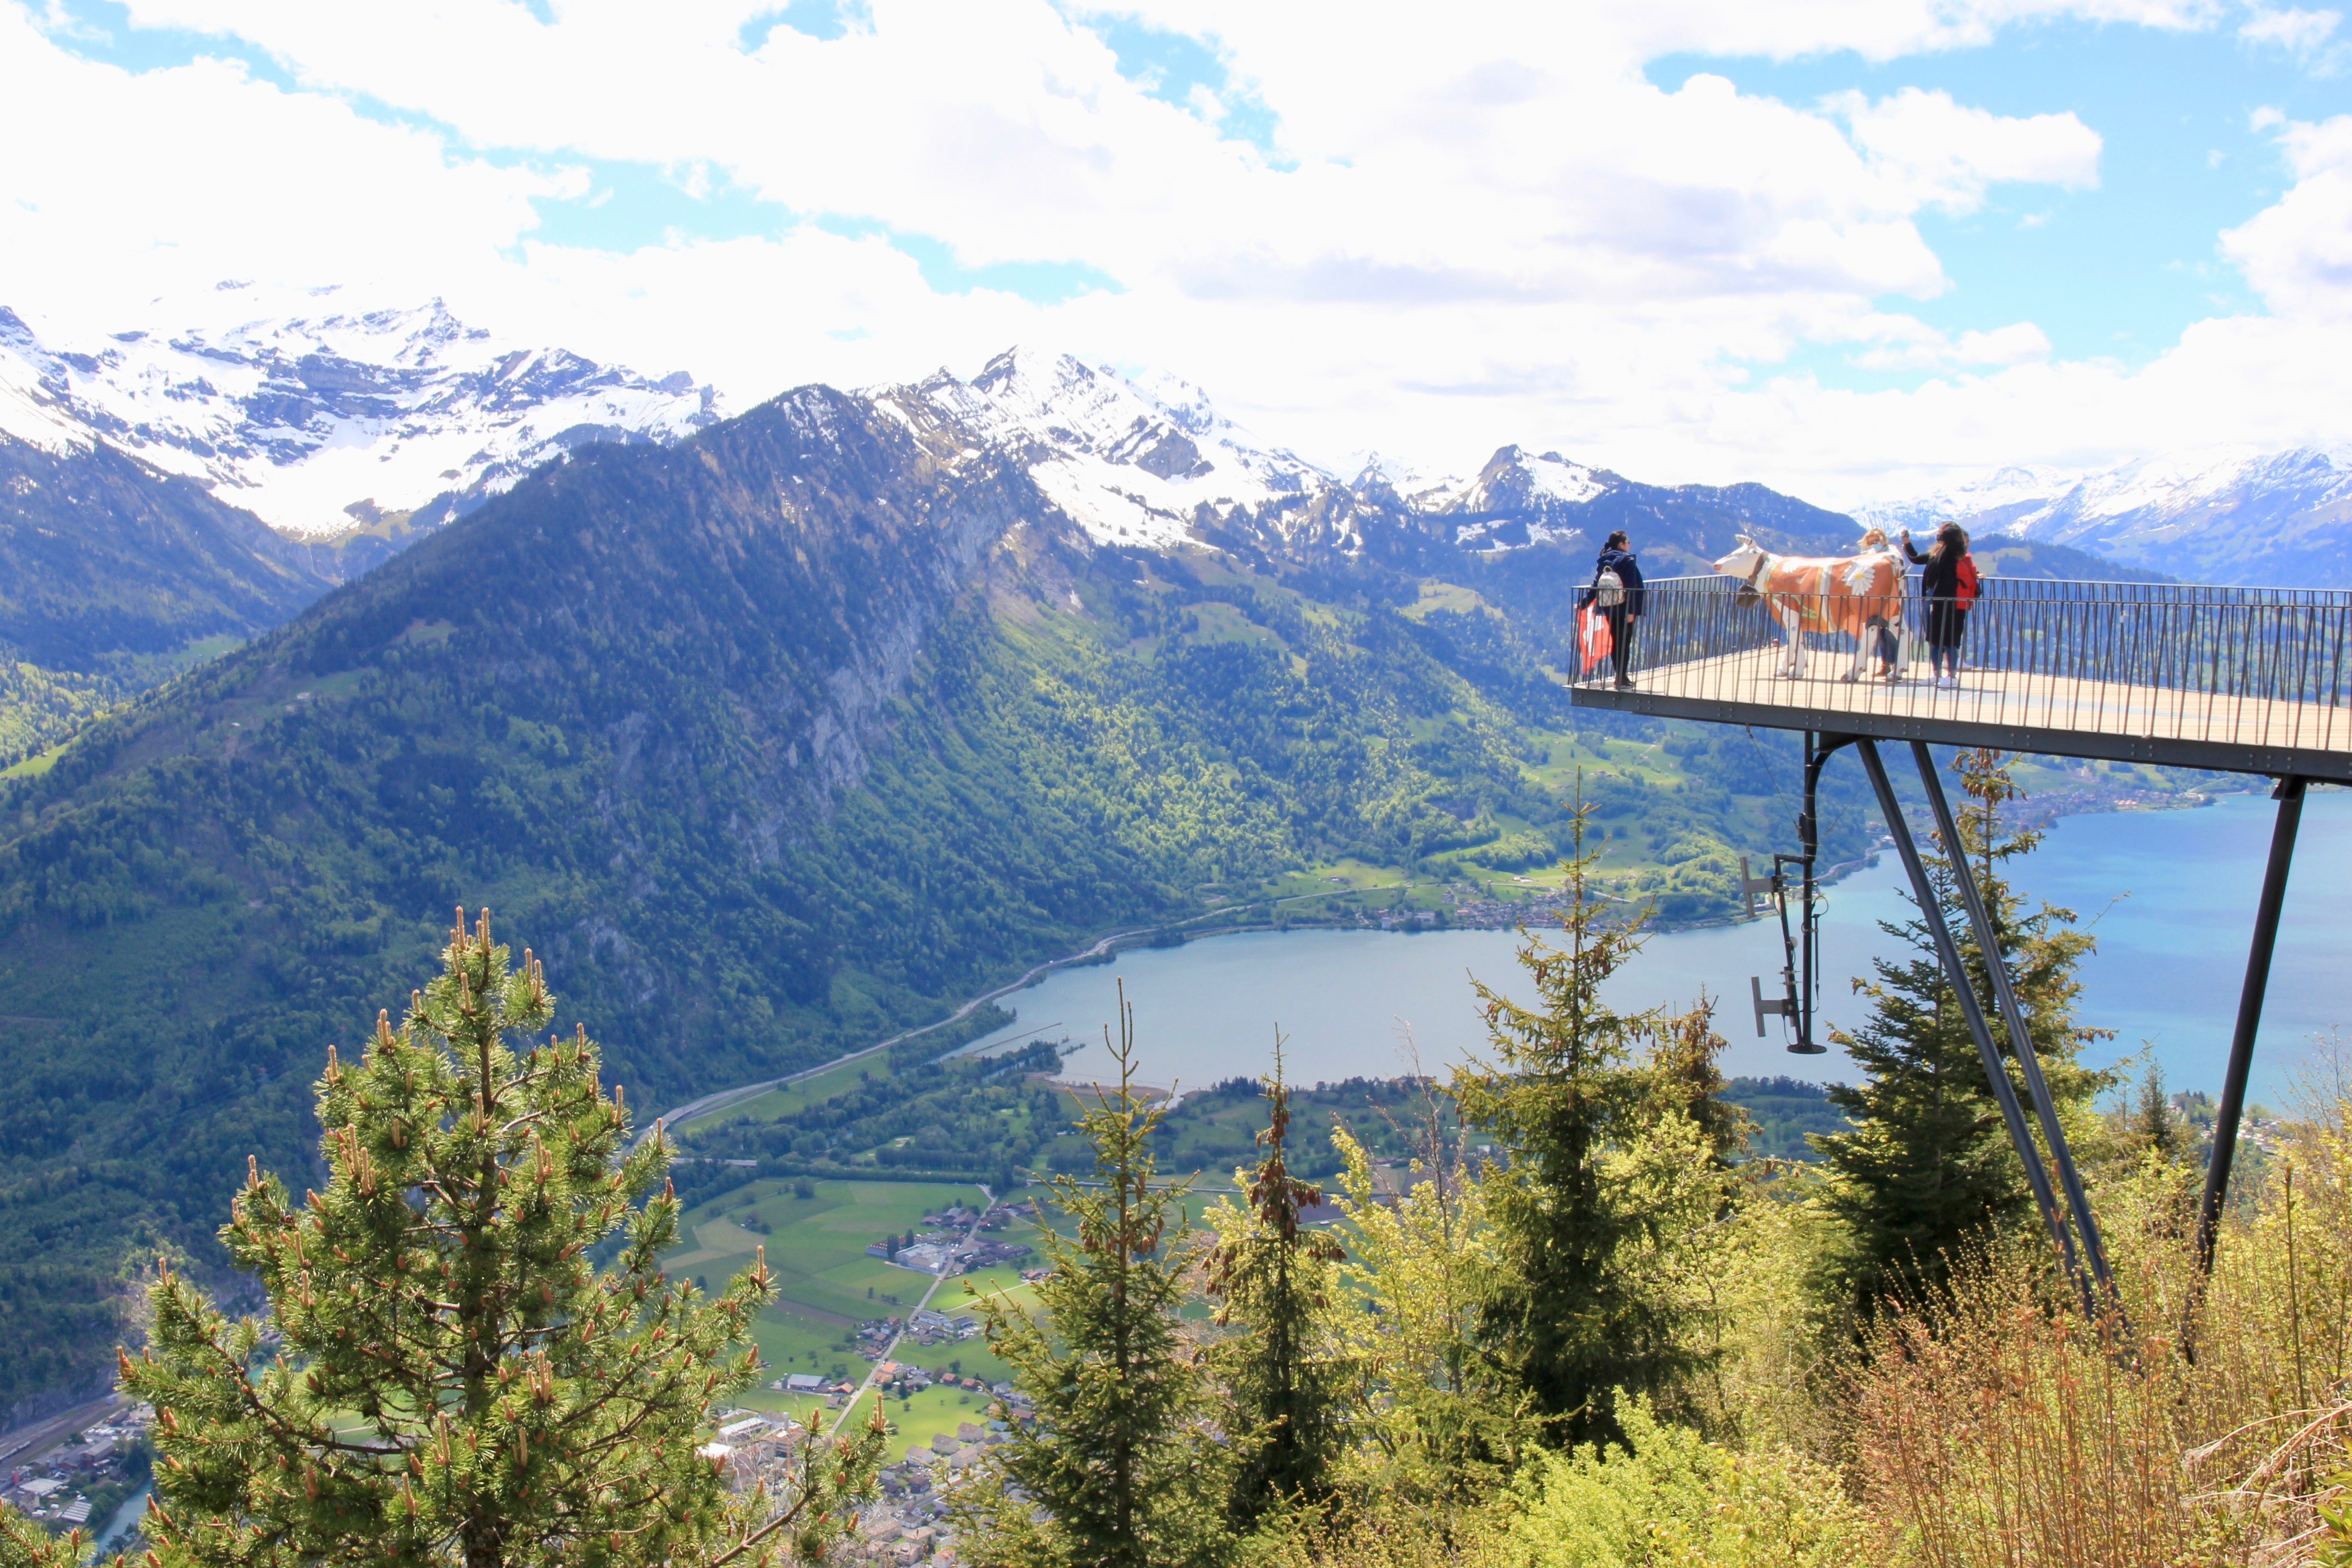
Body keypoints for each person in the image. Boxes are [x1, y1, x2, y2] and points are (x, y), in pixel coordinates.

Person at [1902, 522, 1977, 689]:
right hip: (1936, 600)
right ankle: (1937, 673)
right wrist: (1907, 543)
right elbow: (1917, 558)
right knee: (1934, 639)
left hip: (1949, 601)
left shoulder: (1952, 554)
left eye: (1942, 533)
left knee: (1950, 639)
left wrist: (1950, 533)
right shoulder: (1938, 554)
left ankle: (1951, 676)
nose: (1939, 536)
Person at [1579, 529, 1645, 689]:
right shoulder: (1628, 561)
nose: (1630, 544)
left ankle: (1620, 676)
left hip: (1609, 608)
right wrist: (1631, 612)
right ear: (1622, 544)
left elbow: (1596, 586)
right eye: (1628, 542)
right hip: (1624, 609)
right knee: (1624, 643)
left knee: (1617, 641)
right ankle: (1622, 679)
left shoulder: (1604, 561)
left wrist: (1583, 604)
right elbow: (1632, 587)